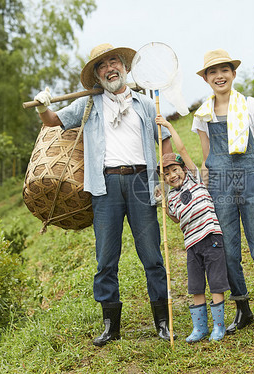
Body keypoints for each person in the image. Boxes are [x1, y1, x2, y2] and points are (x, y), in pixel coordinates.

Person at [33, 43, 175, 346]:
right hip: (106, 185)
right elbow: (52, 121)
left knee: (151, 256)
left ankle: (162, 321)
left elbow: (163, 140)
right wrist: (42, 105)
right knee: (106, 260)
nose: (110, 68)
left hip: (140, 183)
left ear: (124, 66)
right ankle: (111, 326)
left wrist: (164, 175)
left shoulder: (145, 104)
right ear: (97, 76)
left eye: (114, 62)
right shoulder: (88, 104)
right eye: (102, 66)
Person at [191, 49, 254, 334]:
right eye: (213, 72)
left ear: (233, 73)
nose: (219, 76)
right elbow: (208, 159)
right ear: (206, 79)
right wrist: (204, 193)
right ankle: (242, 308)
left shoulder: (252, 105)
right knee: (227, 250)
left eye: (224, 70)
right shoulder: (202, 115)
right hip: (220, 186)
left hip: (253, 179)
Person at [155, 115, 230, 343]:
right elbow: (177, 220)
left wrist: (168, 126)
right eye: (166, 174)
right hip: (192, 245)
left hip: (211, 238)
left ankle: (219, 326)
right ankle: (199, 328)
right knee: (196, 285)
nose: (172, 175)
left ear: (184, 169)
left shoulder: (194, 179)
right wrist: (164, 205)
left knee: (216, 282)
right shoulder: (173, 197)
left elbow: (183, 148)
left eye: (175, 169)